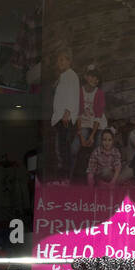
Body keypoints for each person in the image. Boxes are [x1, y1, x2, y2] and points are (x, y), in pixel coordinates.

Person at [50, 48, 80, 181]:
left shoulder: (71, 75)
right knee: (61, 148)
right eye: (58, 60)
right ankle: (64, 177)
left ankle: (65, 177)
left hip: (64, 117)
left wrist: (67, 112)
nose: (59, 62)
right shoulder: (63, 76)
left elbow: (73, 95)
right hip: (59, 117)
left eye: (62, 59)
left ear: (69, 61)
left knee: (63, 148)